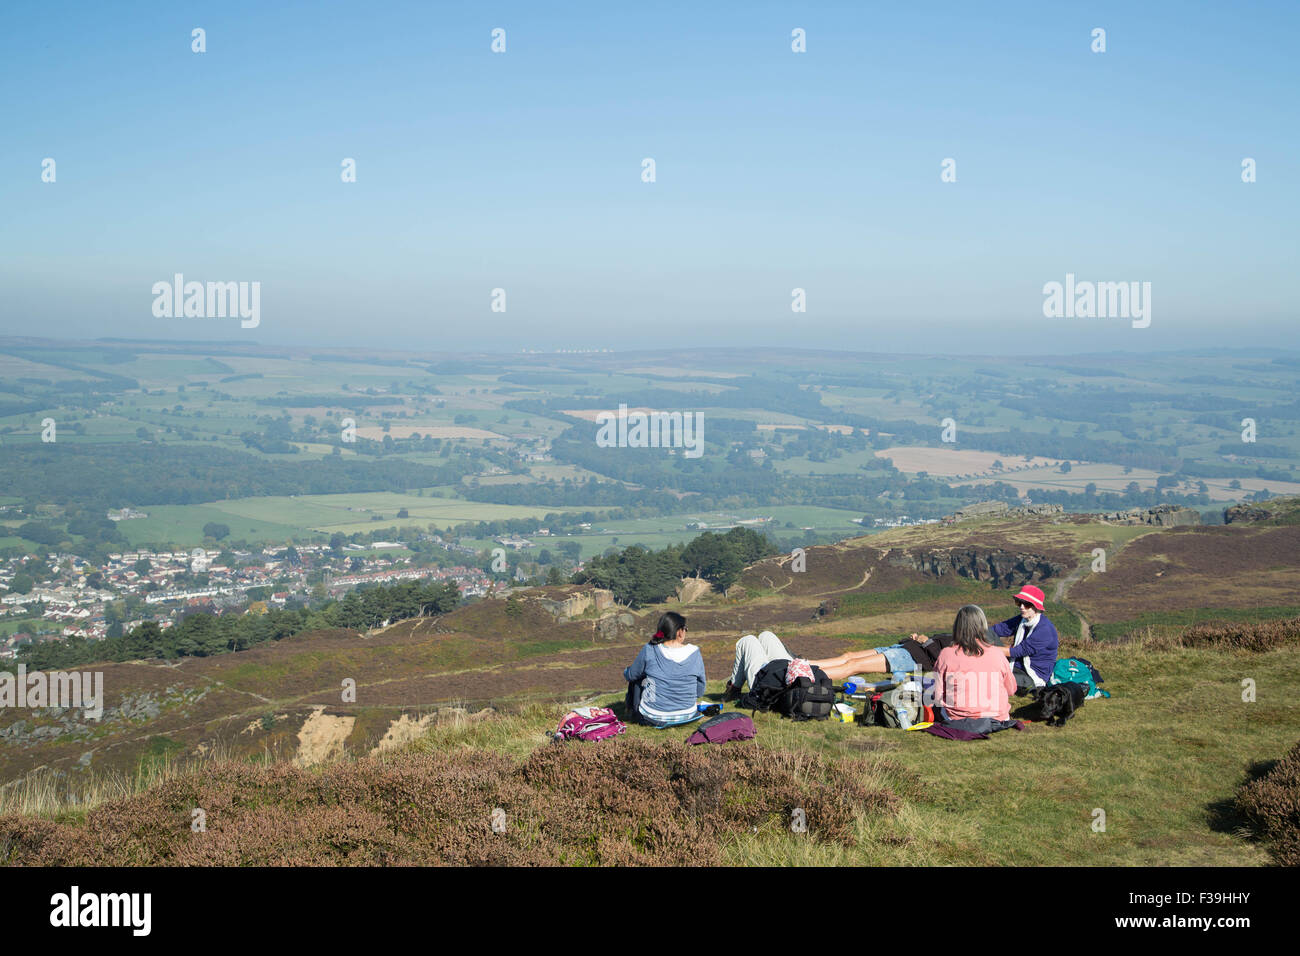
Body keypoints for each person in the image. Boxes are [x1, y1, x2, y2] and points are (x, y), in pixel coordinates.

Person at [723, 629, 933, 701]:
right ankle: (734, 688)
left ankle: (734, 688)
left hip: (769, 681)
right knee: (766, 635)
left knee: (747, 641)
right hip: (785, 669)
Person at [932, 604, 1018, 734]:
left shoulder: (946, 654)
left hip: (957, 719)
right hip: (997, 718)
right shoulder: (997, 653)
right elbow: (1011, 689)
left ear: (958, 626)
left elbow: (938, 697)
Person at [623, 611, 706, 727]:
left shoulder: (650, 649)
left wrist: (626, 671)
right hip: (688, 714)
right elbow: (700, 689)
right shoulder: (695, 652)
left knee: (638, 679)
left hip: (654, 716)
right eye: (685, 629)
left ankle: (631, 711)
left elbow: (631, 675)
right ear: (679, 632)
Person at [985, 584, 1058, 695]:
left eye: (1027, 604)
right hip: (1015, 664)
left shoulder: (1045, 630)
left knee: (991, 676)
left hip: (1031, 675)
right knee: (985, 633)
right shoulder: (1022, 620)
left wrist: (986, 649)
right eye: (1019, 602)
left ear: (1036, 607)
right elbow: (997, 629)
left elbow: (1018, 651)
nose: (1022, 607)